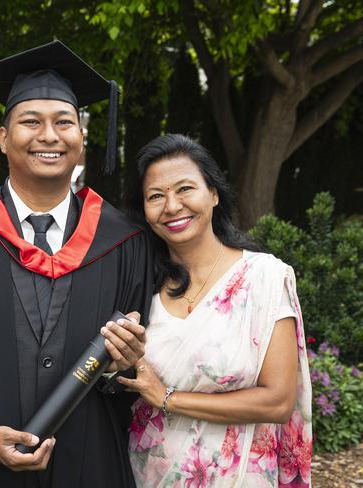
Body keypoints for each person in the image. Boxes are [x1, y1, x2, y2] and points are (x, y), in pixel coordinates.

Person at [0, 40, 153, 488]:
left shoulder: (125, 242)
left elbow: (132, 372)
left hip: (90, 466)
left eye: (64, 122)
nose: (49, 135)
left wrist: (125, 367)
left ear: (82, 140)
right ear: (3, 138)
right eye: (30, 122)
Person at [117, 134, 312, 487]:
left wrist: (167, 398)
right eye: (155, 196)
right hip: (147, 473)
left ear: (214, 194)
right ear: (144, 212)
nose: (172, 206)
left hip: (237, 477)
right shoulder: (138, 287)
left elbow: (277, 401)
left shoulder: (264, 278)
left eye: (185, 189)